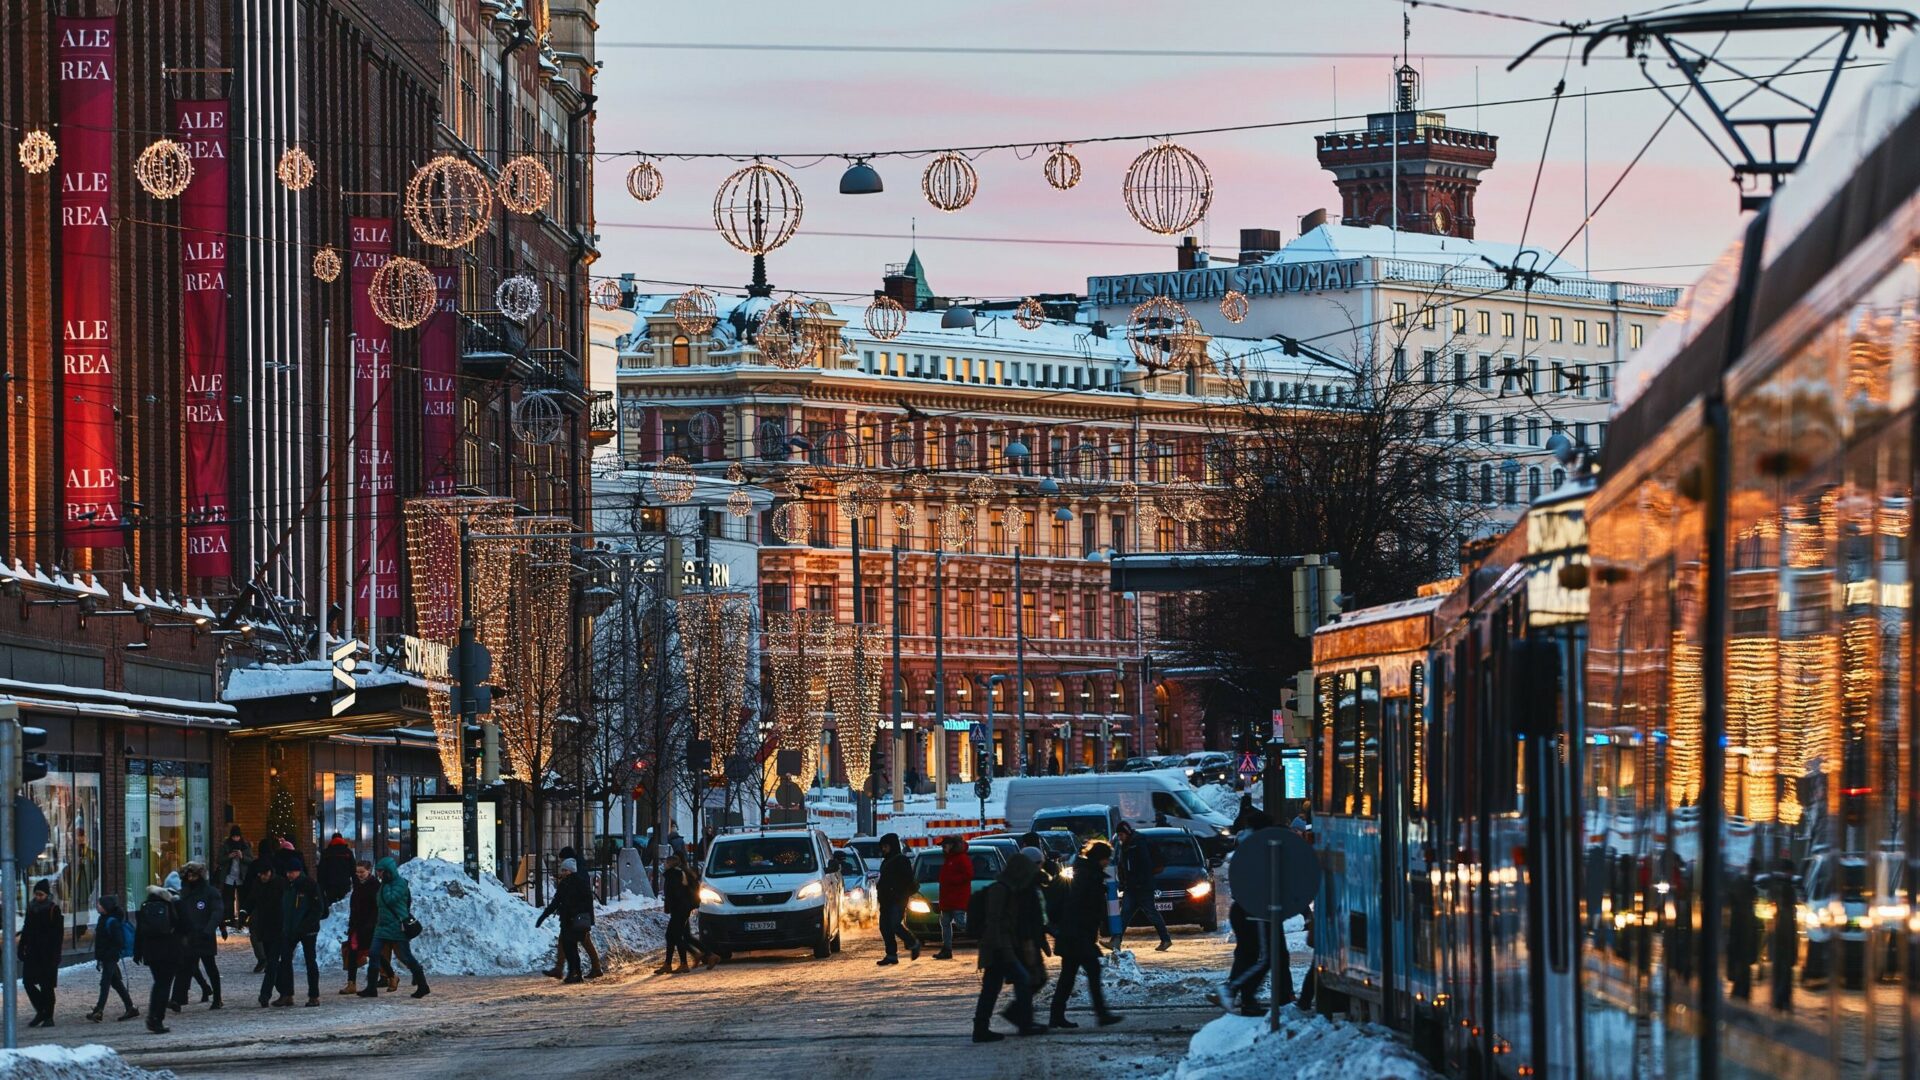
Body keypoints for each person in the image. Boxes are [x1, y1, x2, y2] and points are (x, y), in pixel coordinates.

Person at [1216, 811, 1287, 1016]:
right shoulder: (1262, 845)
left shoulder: (1244, 843)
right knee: (1266, 958)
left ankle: (1248, 1001)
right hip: (1257, 909)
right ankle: (1230, 988)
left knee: (1247, 955)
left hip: (1242, 908)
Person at [973, 849, 1048, 1042]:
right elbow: (996, 922)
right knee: (1022, 979)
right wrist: (1005, 950)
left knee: (991, 988)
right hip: (998, 947)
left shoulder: (1010, 888)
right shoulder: (1002, 889)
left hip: (1000, 946)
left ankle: (981, 1028)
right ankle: (1023, 1023)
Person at [1050, 841, 1122, 1029]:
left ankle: (1056, 1015)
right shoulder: (1087, 876)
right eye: (1107, 858)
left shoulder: (1086, 873)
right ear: (1100, 858)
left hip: (1075, 934)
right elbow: (1079, 906)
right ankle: (1102, 1015)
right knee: (1091, 971)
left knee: (1068, 976)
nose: (1108, 862)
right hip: (1078, 935)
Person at [360, 857, 429, 999]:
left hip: (397, 926)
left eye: (380, 871)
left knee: (405, 957)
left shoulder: (400, 884)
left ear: (388, 871)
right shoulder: (384, 884)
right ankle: (371, 988)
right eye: (377, 871)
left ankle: (423, 985)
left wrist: (384, 885)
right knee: (373, 953)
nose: (378, 874)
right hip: (382, 926)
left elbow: (390, 899)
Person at [266, 850, 324, 1007]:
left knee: (310, 961)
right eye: (288, 872)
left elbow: (318, 909)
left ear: (299, 871)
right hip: (289, 929)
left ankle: (314, 996)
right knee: (285, 961)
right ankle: (286, 994)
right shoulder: (286, 885)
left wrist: (304, 926)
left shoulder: (309, 885)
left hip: (307, 930)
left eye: (292, 872)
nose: (289, 875)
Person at [543, 846, 603, 980]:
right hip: (576, 915)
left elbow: (579, 894)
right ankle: (566, 968)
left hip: (578, 915)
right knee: (571, 940)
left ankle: (590, 968)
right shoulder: (578, 867)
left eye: (563, 860)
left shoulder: (577, 871)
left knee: (581, 940)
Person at [1112, 822, 1171, 952]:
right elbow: (1125, 866)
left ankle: (1166, 939)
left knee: (1150, 913)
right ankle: (1115, 942)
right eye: (1119, 835)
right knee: (1125, 914)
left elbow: (1143, 866)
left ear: (1127, 833)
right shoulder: (1127, 845)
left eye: (1121, 835)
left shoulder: (1138, 844)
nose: (1120, 838)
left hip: (1141, 887)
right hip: (1133, 887)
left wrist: (1138, 882)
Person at [132, 884, 183, 1034]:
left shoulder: (145, 906)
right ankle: (156, 1019)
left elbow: (139, 931)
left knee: (158, 984)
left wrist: (137, 952)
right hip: (170, 952)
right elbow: (183, 926)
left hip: (151, 953)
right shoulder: (172, 905)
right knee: (164, 985)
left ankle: (152, 1016)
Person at [172, 861, 222, 1010]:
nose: (190, 877)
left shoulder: (210, 892)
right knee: (183, 968)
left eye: (193, 874)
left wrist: (209, 930)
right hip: (189, 937)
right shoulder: (183, 893)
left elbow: (217, 912)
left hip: (204, 935)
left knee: (210, 967)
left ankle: (217, 998)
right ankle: (177, 999)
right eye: (188, 875)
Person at [657, 851, 713, 973]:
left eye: (666, 862)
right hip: (680, 910)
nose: (664, 864)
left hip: (679, 911)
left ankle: (683, 963)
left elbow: (676, 894)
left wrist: (674, 907)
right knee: (675, 936)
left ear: (670, 864)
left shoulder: (674, 875)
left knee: (675, 936)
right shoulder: (677, 874)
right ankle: (669, 964)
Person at [87, 894, 139, 1023]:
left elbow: (118, 942)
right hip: (106, 956)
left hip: (110, 957)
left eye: (100, 904)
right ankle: (130, 1007)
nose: (97, 906)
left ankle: (99, 1010)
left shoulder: (112, 921)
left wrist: (109, 954)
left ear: (106, 907)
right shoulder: (104, 919)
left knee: (105, 983)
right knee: (115, 982)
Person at [18, 879, 61, 1027]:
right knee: (28, 982)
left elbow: (58, 934)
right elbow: (27, 928)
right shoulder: (32, 908)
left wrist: (56, 954)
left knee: (46, 985)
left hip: (48, 954)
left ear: (47, 894)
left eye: (41, 894)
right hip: (33, 952)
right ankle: (42, 1010)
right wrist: (22, 946)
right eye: (36, 894)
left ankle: (48, 1016)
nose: (38, 897)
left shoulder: (53, 909)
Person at [874, 833, 920, 965]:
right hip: (885, 900)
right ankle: (891, 955)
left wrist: (898, 892)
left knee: (894, 925)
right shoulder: (886, 861)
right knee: (885, 927)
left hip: (897, 900)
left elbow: (907, 880)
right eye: (882, 846)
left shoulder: (901, 860)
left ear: (892, 846)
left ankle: (912, 943)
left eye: (886, 846)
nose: (883, 849)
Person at [341, 860, 380, 994]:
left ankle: (391, 976)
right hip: (357, 926)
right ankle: (352, 983)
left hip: (369, 926)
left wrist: (370, 924)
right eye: (357, 872)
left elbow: (376, 908)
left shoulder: (375, 886)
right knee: (353, 952)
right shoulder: (358, 885)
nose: (359, 874)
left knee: (373, 954)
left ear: (369, 871)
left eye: (362, 872)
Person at [933, 837, 973, 960]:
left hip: (957, 898)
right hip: (948, 898)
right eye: (942, 846)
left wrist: (953, 881)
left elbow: (968, 874)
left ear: (952, 845)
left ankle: (983, 936)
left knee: (961, 922)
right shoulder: (949, 859)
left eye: (944, 845)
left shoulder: (961, 858)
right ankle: (947, 949)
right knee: (945, 922)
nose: (943, 848)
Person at [240, 857, 281, 977]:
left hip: (275, 915)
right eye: (260, 874)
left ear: (270, 872)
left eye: (265, 874)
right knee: (255, 933)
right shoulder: (257, 883)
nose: (262, 877)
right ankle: (263, 959)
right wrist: (244, 912)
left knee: (270, 939)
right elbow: (251, 899)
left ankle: (270, 960)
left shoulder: (279, 883)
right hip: (260, 912)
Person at [220, 826, 250, 935]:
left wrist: (242, 857)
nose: (236, 839)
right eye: (234, 837)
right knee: (228, 899)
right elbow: (219, 860)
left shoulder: (245, 846)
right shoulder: (225, 845)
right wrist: (229, 856)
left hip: (241, 877)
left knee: (242, 899)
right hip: (229, 877)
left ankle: (241, 920)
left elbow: (250, 860)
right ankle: (230, 920)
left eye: (237, 836)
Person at [317, 833, 356, 904]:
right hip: (344, 883)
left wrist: (321, 886)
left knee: (331, 905)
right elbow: (353, 869)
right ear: (342, 839)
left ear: (332, 840)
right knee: (344, 904)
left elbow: (321, 870)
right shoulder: (348, 852)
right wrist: (355, 883)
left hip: (330, 884)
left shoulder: (326, 852)